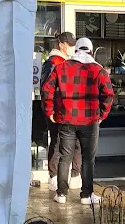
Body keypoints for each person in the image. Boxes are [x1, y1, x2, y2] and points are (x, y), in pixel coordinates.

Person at [42, 37, 114, 205]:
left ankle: (61, 194)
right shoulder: (98, 70)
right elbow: (109, 95)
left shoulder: (61, 68)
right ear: (90, 50)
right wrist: (101, 114)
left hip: (66, 119)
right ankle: (86, 195)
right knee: (88, 158)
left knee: (65, 157)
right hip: (89, 121)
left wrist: (50, 111)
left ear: (76, 50)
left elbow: (47, 89)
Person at [40, 32, 81, 191]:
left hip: (67, 109)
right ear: (61, 44)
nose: (72, 47)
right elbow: (46, 89)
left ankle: (71, 176)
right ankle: (54, 176)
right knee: (57, 142)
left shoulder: (67, 62)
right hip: (56, 110)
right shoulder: (53, 63)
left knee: (71, 143)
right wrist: (50, 110)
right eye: (70, 44)